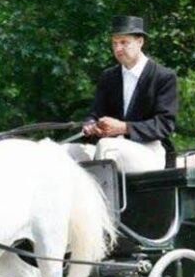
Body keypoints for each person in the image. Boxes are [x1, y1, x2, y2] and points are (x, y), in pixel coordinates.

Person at [67, 15, 178, 172]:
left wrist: (124, 128)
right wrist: (91, 124)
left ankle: (101, 189)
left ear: (140, 42)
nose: (118, 48)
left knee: (107, 147)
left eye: (124, 42)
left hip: (149, 150)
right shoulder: (108, 77)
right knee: (66, 151)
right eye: (115, 43)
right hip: (109, 148)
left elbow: (164, 125)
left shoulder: (163, 77)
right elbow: (95, 113)